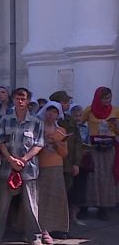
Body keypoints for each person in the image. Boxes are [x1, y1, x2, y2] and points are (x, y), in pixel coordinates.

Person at [0, 87, 45, 245]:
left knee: (31, 205)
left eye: (23, 99)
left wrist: (23, 159)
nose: (20, 102)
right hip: (7, 169)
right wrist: (10, 159)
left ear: (28, 100)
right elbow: (0, 142)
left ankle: (34, 237)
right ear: (13, 100)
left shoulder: (36, 122)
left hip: (28, 169)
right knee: (1, 205)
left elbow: (39, 144)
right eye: (17, 98)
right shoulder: (5, 119)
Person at [49, 91, 85, 226]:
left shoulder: (69, 120)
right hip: (53, 162)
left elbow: (77, 142)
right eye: (65, 102)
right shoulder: (49, 118)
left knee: (67, 190)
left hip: (68, 163)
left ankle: (66, 220)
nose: (67, 104)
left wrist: (76, 163)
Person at [83, 87, 119, 221]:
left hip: (109, 148)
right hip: (94, 148)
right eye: (105, 98)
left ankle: (104, 207)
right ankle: (87, 205)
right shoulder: (89, 110)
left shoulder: (115, 110)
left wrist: (116, 125)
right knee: (93, 176)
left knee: (107, 177)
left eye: (109, 98)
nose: (108, 101)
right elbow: (80, 124)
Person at [36, 102, 69, 242]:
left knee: (57, 198)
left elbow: (64, 153)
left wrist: (56, 144)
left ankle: (58, 227)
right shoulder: (38, 128)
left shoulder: (61, 131)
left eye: (55, 112)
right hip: (41, 167)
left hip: (56, 168)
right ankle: (43, 229)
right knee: (42, 200)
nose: (51, 114)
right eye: (49, 111)